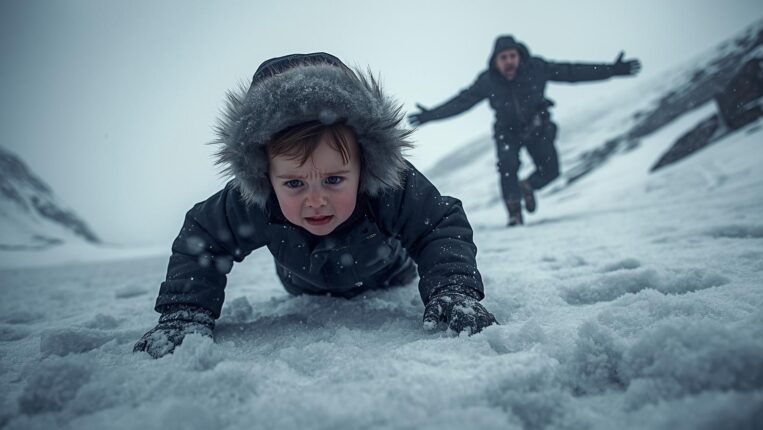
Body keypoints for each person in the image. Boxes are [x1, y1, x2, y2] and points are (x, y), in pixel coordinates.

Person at [134, 53, 497, 359]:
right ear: (265, 176)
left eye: (334, 180)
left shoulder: (388, 186)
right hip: (303, 282)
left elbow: (438, 223)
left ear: (364, 166)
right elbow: (204, 236)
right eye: (294, 183)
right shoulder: (255, 200)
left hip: (388, 273)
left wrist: (452, 290)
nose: (316, 200)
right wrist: (186, 312)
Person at [408, 35, 641, 226]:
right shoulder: (487, 81)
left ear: (519, 56)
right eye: (503, 58)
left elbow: (572, 72)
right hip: (507, 131)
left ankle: (528, 186)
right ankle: (514, 214)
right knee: (507, 166)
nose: (509, 61)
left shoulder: (537, 68)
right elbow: (462, 102)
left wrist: (612, 70)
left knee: (551, 171)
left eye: (512, 56)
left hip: (537, 127)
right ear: (495, 61)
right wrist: (431, 115)